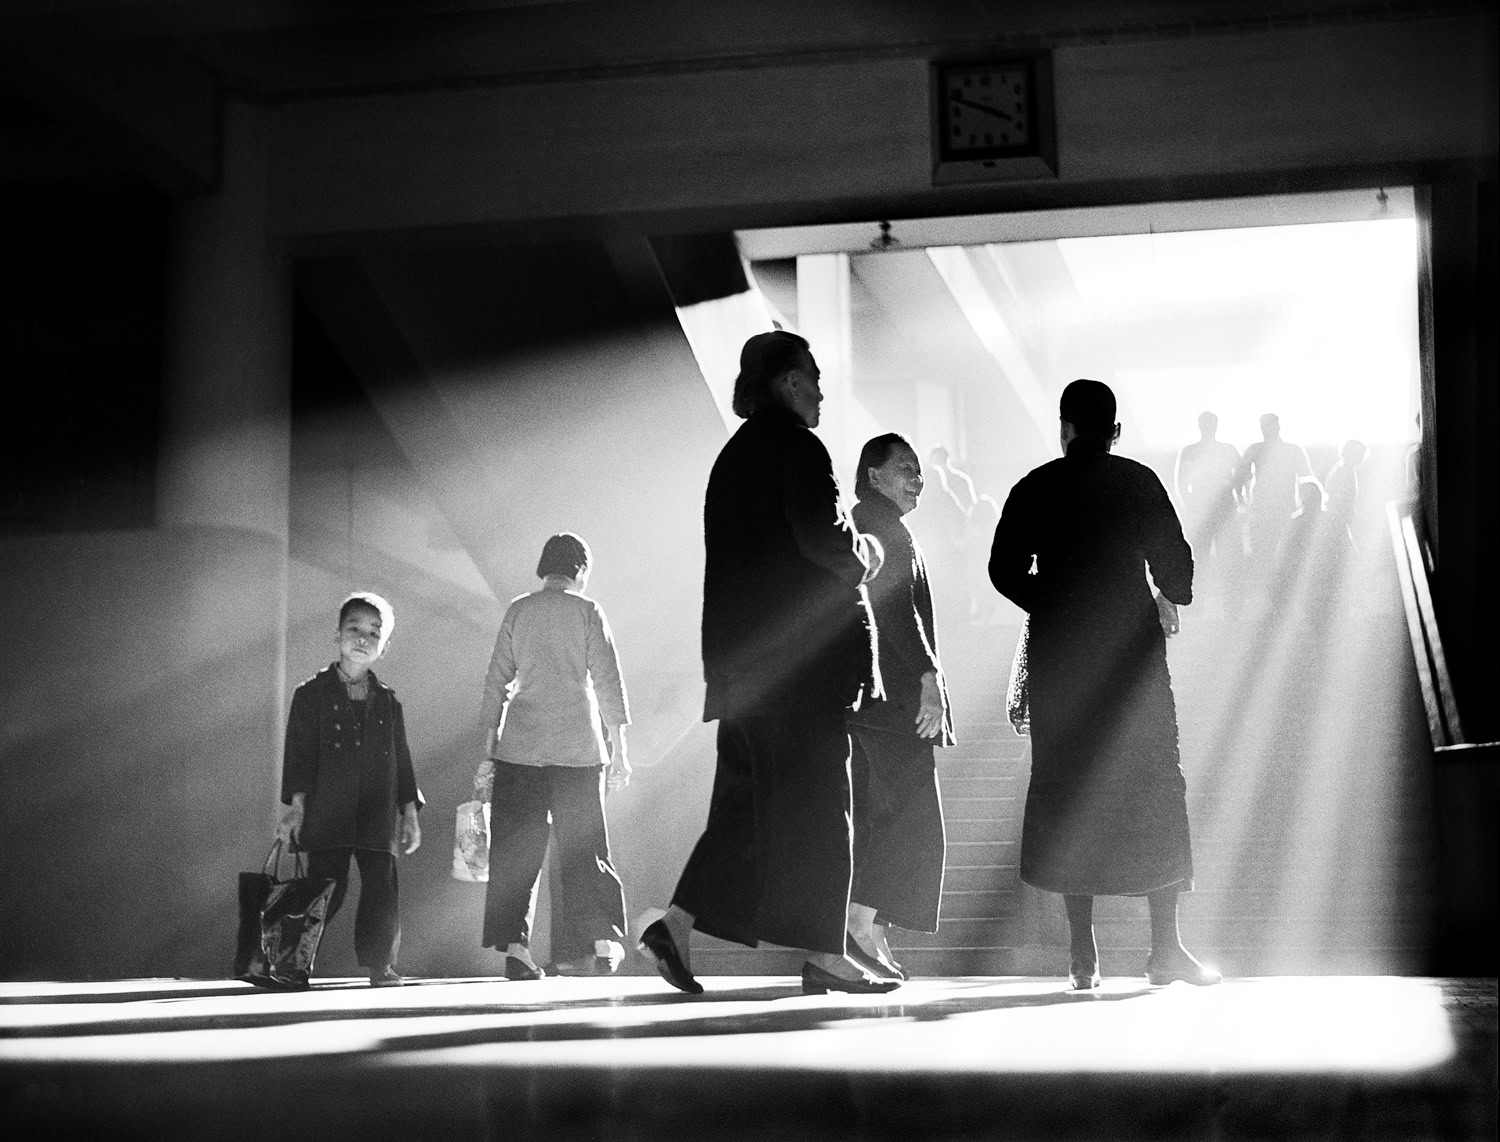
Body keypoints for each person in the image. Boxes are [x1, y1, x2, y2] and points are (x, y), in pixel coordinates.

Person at [639, 330, 897, 996]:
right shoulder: (798, 447)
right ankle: (826, 952)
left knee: (744, 810)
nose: (819, 388)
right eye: (811, 376)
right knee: (822, 805)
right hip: (800, 670)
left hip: (741, 666)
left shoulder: (734, 456)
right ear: (786, 381)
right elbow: (822, 535)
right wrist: (864, 552)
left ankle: (677, 921)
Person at [989, 379, 1219, 990]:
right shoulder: (1136, 481)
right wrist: (1170, 594)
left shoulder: (1034, 487)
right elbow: (1177, 561)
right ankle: (1165, 949)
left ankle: (1082, 954)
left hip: (1062, 665)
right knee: (1154, 789)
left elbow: (1001, 569)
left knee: (1070, 790)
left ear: (1064, 427)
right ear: (1114, 431)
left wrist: (1053, 603)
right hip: (1132, 661)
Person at [474, 532, 632, 980]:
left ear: (544, 567)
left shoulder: (519, 610)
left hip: (519, 750)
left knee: (517, 851)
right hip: (578, 751)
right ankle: (601, 943)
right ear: (580, 571)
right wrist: (621, 751)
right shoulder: (587, 611)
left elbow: (495, 685)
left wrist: (487, 753)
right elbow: (608, 683)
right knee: (585, 848)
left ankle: (516, 950)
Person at [845, 433, 955, 980]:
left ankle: (869, 930)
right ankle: (860, 923)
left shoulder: (873, 522)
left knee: (881, 815)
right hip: (890, 700)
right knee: (910, 817)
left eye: (919, 469)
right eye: (905, 468)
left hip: (872, 699)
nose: (918, 477)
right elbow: (895, 610)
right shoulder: (882, 526)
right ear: (873, 474)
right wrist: (928, 675)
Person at [277, 592, 423, 988]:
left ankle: (381, 965)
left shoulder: (388, 701)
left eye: (374, 632)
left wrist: (409, 811)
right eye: (354, 628)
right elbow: (299, 754)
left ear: (385, 645)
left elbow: (402, 758)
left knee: (381, 887)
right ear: (337, 634)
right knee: (325, 886)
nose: (363, 638)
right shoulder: (311, 694)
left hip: (377, 807)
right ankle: (294, 961)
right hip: (329, 805)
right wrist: (297, 807)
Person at [1174, 411, 1243, 598]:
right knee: (1202, 558)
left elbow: (1240, 476)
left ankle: (1223, 601)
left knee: (1218, 557)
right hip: (1211, 507)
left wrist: (1189, 504)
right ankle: (1209, 601)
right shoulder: (1224, 450)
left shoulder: (1219, 450)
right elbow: (1180, 481)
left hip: (1217, 507)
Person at [1235, 413, 1312, 573]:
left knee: (1272, 550)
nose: (1265, 430)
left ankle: (1273, 583)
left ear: (1277, 427)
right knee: (1269, 550)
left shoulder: (1259, 449)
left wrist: (1242, 501)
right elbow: (1240, 477)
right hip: (1271, 508)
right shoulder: (1287, 450)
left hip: (1281, 509)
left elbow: (1306, 480)